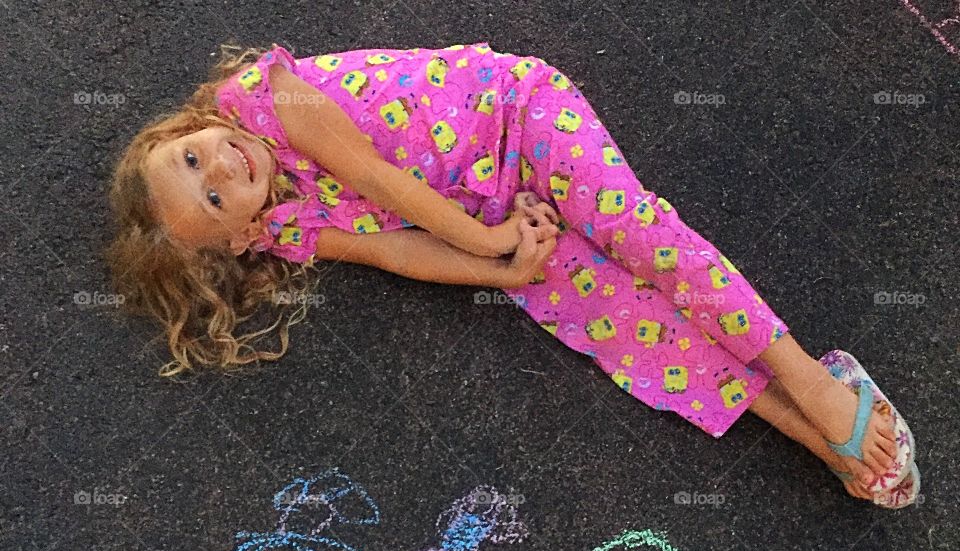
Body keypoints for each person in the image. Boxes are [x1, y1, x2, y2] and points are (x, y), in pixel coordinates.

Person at [105, 40, 918, 506]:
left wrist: (490, 242)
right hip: (484, 212)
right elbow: (393, 248)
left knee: (644, 239)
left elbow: (395, 190)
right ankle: (808, 429)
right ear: (240, 236)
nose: (221, 164)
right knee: (625, 326)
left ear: (192, 124)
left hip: (519, 118)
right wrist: (499, 266)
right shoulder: (283, 228)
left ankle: (805, 376)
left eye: (191, 152)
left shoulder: (266, 99)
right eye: (212, 195)